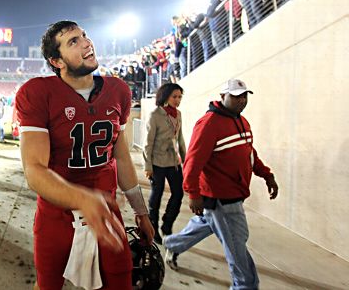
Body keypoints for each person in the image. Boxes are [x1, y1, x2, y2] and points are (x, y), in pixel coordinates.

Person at [16, 20, 154, 290]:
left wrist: (141, 211)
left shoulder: (118, 91)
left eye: (84, 36)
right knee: (48, 285)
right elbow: (34, 170)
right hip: (58, 215)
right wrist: (84, 199)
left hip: (107, 212)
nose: (86, 43)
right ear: (56, 61)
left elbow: (121, 156)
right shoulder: (38, 93)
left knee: (120, 282)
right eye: (73, 41)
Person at [163, 79, 278, 290]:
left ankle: (172, 244)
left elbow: (248, 154)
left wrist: (266, 175)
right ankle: (245, 286)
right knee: (237, 247)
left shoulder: (242, 122)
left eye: (244, 96)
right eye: (236, 96)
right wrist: (193, 194)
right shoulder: (209, 123)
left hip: (232, 195)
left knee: (207, 225)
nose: (241, 100)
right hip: (221, 199)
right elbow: (193, 162)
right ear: (223, 96)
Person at [143, 83, 186, 245]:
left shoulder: (178, 114)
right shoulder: (155, 115)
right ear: (165, 96)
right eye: (174, 97)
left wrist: (186, 159)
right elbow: (148, 142)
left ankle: (167, 224)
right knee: (157, 195)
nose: (177, 100)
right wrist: (148, 166)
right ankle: (152, 227)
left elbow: (180, 139)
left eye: (180, 97)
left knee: (178, 193)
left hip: (173, 162)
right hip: (157, 162)